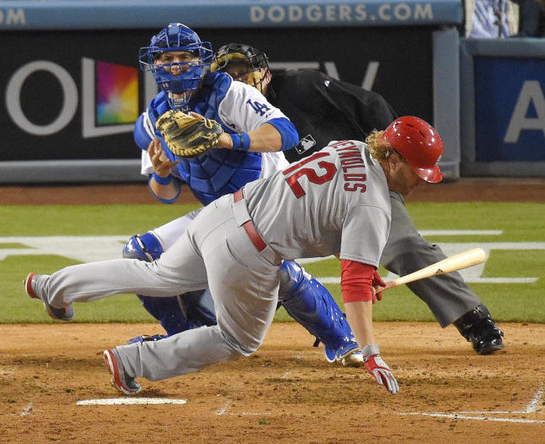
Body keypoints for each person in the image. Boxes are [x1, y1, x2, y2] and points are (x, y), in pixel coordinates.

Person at [24, 115, 444, 396]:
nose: (422, 182)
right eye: (417, 170)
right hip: (249, 251)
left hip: (221, 214)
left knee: (155, 275)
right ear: (390, 157)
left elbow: (325, 209)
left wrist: (363, 265)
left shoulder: (351, 147)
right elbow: (351, 280)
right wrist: (371, 351)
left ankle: (52, 287)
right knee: (238, 339)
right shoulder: (374, 206)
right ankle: (130, 361)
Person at [32, 23, 363, 367]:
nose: (176, 65)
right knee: (140, 253)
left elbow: (286, 133)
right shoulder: (153, 119)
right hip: (220, 213)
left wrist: (228, 140)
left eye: (184, 57)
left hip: (271, 202)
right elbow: (166, 194)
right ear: (154, 65)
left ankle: (343, 340)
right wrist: (161, 174)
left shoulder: (231, 94)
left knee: (272, 267)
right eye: (167, 58)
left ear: (200, 61)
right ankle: (184, 336)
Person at [209, 43, 504, 355]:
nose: (237, 80)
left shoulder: (300, 87)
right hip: (302, 207)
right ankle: (330, 329)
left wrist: (389, 165)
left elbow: (369, 103)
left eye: (244, 72)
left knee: (403, 246)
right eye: (229, 76)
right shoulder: (225, 121)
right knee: (240, 249)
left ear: (265, 74)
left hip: (359, 182)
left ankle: (474, 319)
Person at [462, 0, 545, 37]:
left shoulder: (527, 4)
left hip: (507, 59)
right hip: (469, 58)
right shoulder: (460, 3)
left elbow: (528, 37)